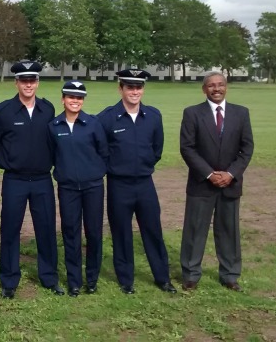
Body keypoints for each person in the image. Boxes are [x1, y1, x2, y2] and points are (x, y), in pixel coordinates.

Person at [0, 60, 63, 299]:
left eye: (32, 80)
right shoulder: (4, 110)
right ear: (16, 82)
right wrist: (6, 162)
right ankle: (9, 280)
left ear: (37, 82)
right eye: (23, 80)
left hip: (41, 180)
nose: (28, 85)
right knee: (10, 230)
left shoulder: (47, 110)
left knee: (46, 229)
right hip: (15, 180)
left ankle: (49, 278)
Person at [97, 69, 177, 294]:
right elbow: (101, 150)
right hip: (118, 184)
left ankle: (162, 278)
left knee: (153, 230)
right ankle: (126, 280)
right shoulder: (107, 117)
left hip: (144, 184)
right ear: (120, 88)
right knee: (121, 232)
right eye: (129, 87)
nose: (134, 91)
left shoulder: (153, 116)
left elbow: (157, 148)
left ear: (143, 89)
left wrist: (145, 163)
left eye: (138, 87)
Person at [179, 71, 254, 292]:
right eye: (211, 86)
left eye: (220, 85)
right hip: (201, 184)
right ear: (204, 89)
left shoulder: (241, 113)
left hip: (230, 184)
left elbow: (247, 148)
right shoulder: (192, 113)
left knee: (229, 230)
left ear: (226, 87)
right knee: (194, 230)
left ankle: (230, 275)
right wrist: (210, 174)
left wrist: (230, 174)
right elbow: (187, 148)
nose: (216, 89)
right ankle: (191, 274)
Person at [48, 81, 108, 297]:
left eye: (79, 98)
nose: (75, 101)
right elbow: (52, 154)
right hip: (68, 188)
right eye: (71, 97)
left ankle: (91, 278)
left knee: (93, 232)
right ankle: (74, 280)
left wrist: (95, 172)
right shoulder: (54, 126)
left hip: (93, 186)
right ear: (63, 99)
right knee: (70, 232)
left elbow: (104, 151)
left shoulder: (93, 124)